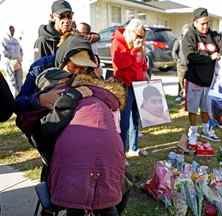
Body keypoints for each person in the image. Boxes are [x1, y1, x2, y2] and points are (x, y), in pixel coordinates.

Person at [34, 34, 126, 216]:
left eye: (84, 67)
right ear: (62, 63)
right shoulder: (107, 96)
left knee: (75, 201)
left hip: (76, 160)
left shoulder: (65, 91)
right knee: (105, 201)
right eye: (74, 65)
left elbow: (45, 131)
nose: (78, 71)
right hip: (109, 159)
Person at [182, 8, 222, 145]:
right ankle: (193, 131)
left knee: (206, 108)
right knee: (193, 108)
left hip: (209, 80)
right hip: (194, 79)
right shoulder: (190, 36)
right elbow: (190, 56)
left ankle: (206, 129)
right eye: (202, 23)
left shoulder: (213, 35)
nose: (205, 26)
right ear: (195, 22)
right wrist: (210, 57)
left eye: (207, 23)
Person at [111, 18, 148, 157]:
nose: (141, 39)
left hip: (137, 84)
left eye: (143, 36)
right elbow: (121, 64)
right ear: (131, 32)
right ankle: (121, 151)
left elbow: (142, 60)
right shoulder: (118, 42)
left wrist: (144, 71)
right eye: (139, 36)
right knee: (124, 121)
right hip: (124, 85)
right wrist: (133, 50)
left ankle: (133, 148)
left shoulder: (137, 45)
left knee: (135, 118)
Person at [1, 25, 23, 97]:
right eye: (10, 30)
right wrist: (11, 60)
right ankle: (13, 100)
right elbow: (3, 52)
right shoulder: (3, 40)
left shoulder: (16, 40)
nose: (12, 31)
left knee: (19, 83)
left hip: (18, 63)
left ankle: (20, 100)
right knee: (12, 83)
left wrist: (19, 60)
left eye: (13, 30)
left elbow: (21, 51)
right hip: (9, 64)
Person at [172, 24, 189, 102]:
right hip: (181, 65)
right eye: (186, 32)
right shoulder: (178, 40)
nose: (187, 34)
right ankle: (180, 95)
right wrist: (177, 60)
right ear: (183, 32)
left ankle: (188, 96)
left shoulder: (191, 41)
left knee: (189, 82)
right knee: (180, 81)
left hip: (190, 65)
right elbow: (174, 52)